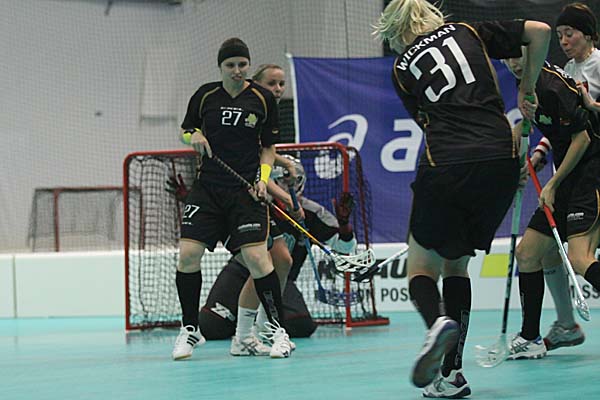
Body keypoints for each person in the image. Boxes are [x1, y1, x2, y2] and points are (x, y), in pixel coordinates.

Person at [373, 0, 551, 397]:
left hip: (448, 163)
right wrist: (527, 87)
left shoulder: (402, 68)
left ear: (397, 30)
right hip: (502, 160)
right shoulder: (470, 32)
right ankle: (451, 376)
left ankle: (436, 323)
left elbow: (429, 124)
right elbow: (540, 31)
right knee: (457, 264)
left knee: (421, 268)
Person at [171, 38, 292, 361]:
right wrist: (194, 135)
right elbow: (184, 131)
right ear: (220, 67)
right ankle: (190, 329)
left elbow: (268, 148)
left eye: (242, 64)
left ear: (248, 65)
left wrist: (263, 180)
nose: (237, 70)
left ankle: (278, 331)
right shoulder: (205, 96)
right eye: (230, 65)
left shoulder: (262, 99)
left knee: (258, 259)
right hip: (208, 189)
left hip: (245, 192)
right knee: (188, 255)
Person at [506, 3, 600, 357]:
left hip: (589, 173)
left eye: (569, 34)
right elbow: (562, 126)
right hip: (570, 171)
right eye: (558, 35)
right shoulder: (565, 72)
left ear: (588, 34)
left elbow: (583, 132)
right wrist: (538, 153)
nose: (563, 41)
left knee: (579, 257)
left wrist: (593, 106)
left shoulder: (594, 67)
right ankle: (560, 326)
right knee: (533, 253)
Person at [198, 154, 358, 342]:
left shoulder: (311, 213)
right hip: (242, 271)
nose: (286, 186)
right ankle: (246, 321)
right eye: (280, 181)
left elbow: (344, 247)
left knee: (300, 325)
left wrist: (344, 225)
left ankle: (255, 318)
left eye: (291, 181)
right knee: (211, 326)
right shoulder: (255, 204)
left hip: (279, 279)